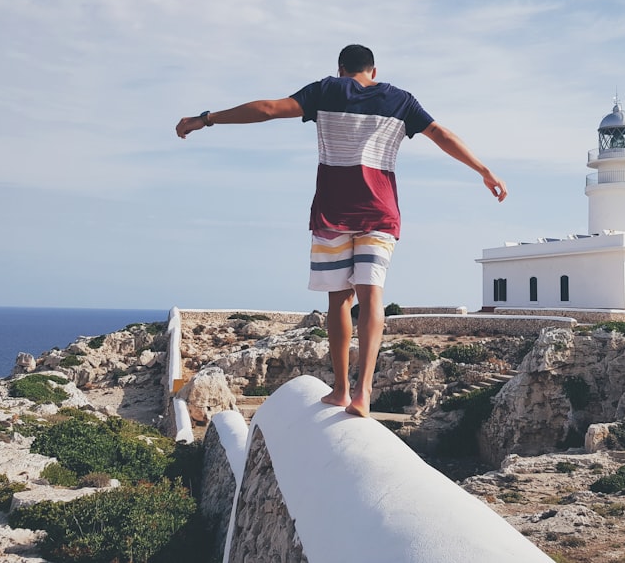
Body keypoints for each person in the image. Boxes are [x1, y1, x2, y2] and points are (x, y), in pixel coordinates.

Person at [175, 44, 507, 417]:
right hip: (380, 213)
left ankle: (341, 389)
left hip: (333, 213)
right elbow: (441, 133)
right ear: (374, 71)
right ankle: (364, 394)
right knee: (372, 297)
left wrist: (206, 118)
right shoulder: (401, 101)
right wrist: (484, 170)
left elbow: (268, 109)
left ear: (340, 67)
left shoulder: (327, 90)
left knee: (339, 301)